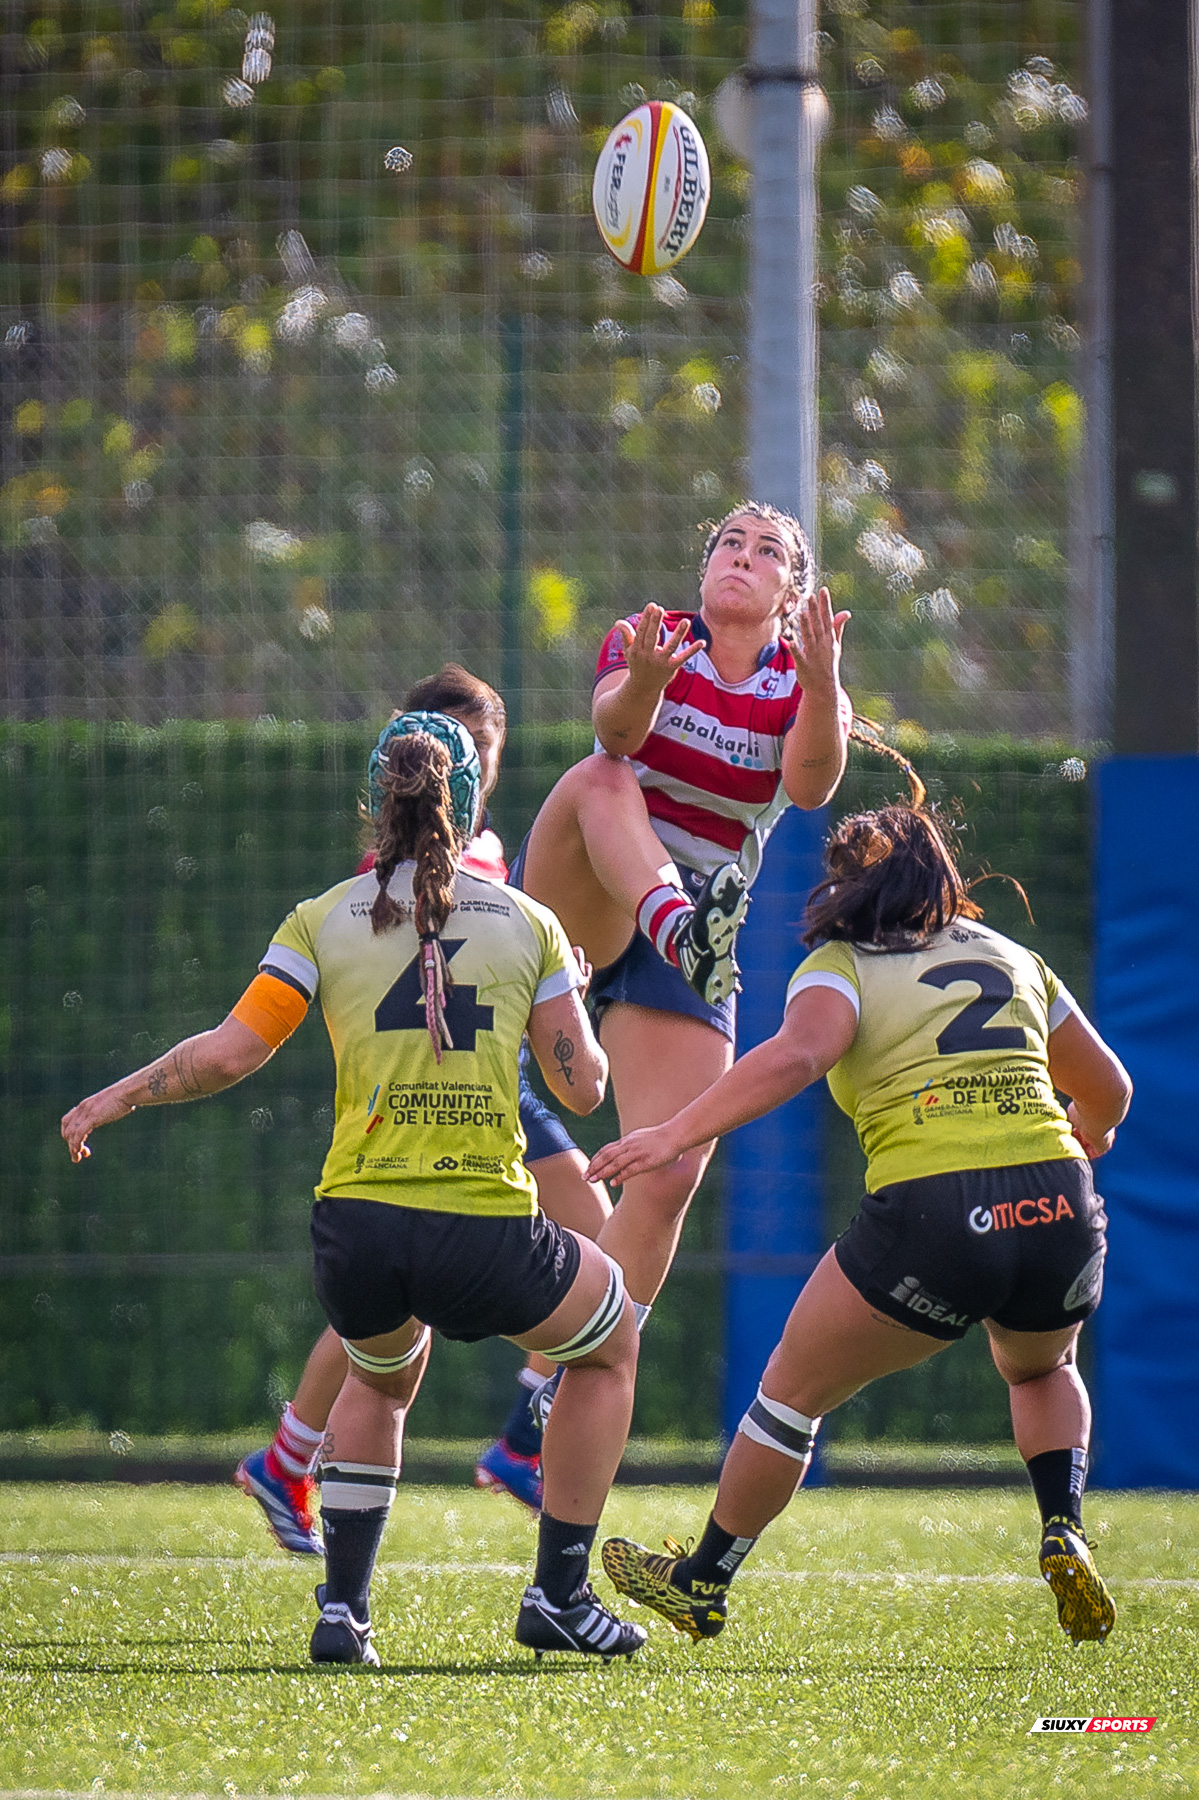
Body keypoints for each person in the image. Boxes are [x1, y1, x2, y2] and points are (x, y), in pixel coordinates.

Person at [62, 713, 646, 1667]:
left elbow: (227, 1055)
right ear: (466, 802)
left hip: (356, 1234)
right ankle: (559, 1595)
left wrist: (116, 1098)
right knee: (611, 1340)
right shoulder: (527, 922)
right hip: (481, 1231)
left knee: (382, 1372)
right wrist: (572, 988)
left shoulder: (321, 915)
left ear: (379, 802)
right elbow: (584, 1089)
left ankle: (343, 1613)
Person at [588, 794, 1131, 1648]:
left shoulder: (841, 963)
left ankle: (703, 1580)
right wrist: (1087, 1131)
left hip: (937, 1209)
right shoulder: (1012, 955)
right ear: (937, 875)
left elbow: (801, 1054)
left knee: (791, 1395)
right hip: (1059, 1201)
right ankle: (1062, 1524)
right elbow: (1110, 1090)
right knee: (1039, 1367)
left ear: (847, 887)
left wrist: (671, 1132)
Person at [234, 667, 612, 1556]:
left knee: (438, 1283)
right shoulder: (454, 863)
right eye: (456, 748)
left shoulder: (450, 856)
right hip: (465, 1079)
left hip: (483, 1075)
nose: (469, 765)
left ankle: (304, 1458)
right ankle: (523, 1431)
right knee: (431, 1296)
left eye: (484, 750)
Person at [514, 503, 853, 1407]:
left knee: (666, 1170)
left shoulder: (803, 681)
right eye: (728, 544)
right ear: (704, 571)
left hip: (696, 921)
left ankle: (549, 1397)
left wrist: (821, 687)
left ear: (793, 594)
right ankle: (302, 1442)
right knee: (601, 775)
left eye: (768, 551)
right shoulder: (650, 636)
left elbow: (811, 787)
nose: (742, 557)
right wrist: (649, 683)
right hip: (581, 890)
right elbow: (616, 736)